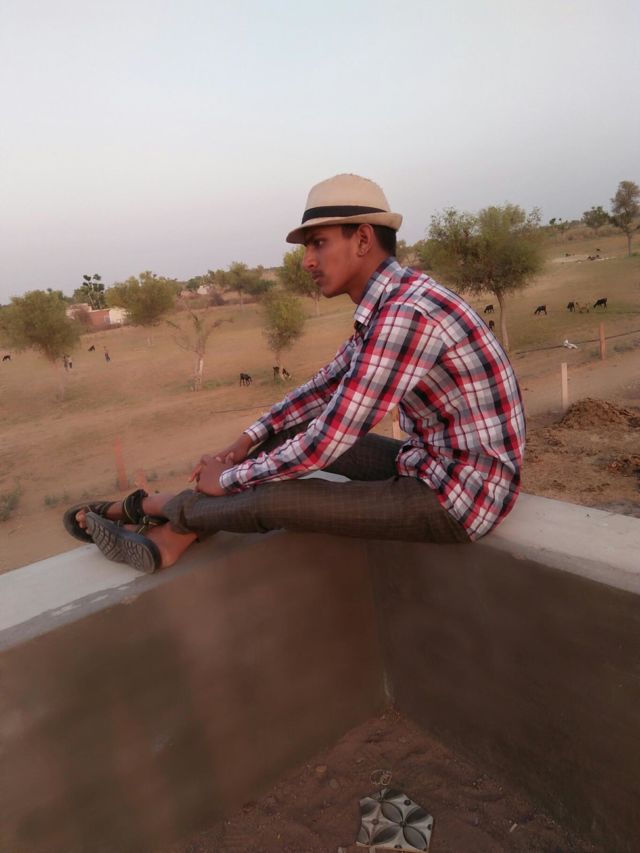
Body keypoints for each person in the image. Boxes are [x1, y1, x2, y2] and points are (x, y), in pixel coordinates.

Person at [64, 173, 525, 574]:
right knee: (285, 433)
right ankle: (176, 533)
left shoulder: (407, 314)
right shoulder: (393, 301)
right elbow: (323, 387)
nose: (307, 261)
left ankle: (158, 509)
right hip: (426, 460)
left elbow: (329, 440)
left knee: (275, 499)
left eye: (318, 243)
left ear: (363, 239)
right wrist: (246, 440)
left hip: (459, 497)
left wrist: (227, 478)